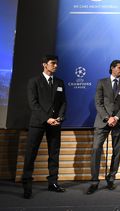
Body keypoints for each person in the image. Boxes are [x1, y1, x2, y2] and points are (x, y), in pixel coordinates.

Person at [22, 55, 67, 199]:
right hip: (38, 123)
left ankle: (53, 182)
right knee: (31, 154)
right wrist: (47, 119)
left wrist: (59, 117)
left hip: (55, 124)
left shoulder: (59, 82)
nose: (55, 66)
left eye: (56, 64)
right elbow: (33, 104)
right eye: (53, 63)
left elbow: (64, 102)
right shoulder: (34, 81)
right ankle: (27, 184)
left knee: (54, 154)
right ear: (44, 64)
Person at [86, 60, 120, 195]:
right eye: (119, 68)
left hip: (119, 122)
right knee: (95, 149)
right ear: (112, 68)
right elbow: (98, 103)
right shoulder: (102, 82)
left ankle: (111, 178)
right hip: (102, 121)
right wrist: (107, 117)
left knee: (116, 151)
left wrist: (116, 118)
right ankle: (94, 181)